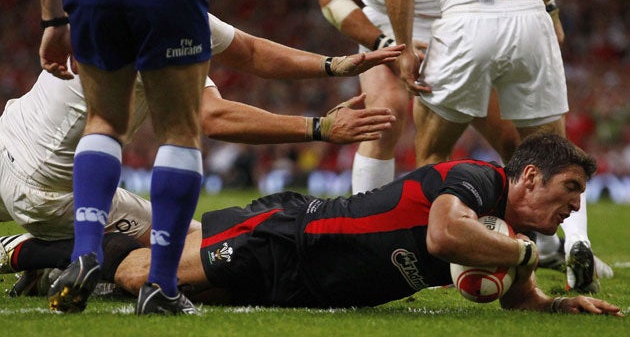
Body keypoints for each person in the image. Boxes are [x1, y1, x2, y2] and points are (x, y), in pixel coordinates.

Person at [0, 0, 400, 282]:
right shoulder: (174, 23)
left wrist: (333, 66)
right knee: (193, 248)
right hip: (49, 191)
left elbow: (252, 51)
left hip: (8, 140)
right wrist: (320, 127)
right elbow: (215, 117)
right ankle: (28, 252)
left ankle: (48, 250)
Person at [6, 134, 623, 316]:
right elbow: (442, 236)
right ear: (530, 178)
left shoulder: (514, 235)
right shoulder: (475, 178)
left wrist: (551, 306)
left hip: (307, 281)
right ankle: (30, 252)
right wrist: (522, 257)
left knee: (174, 249)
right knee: (148, 272)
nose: (573, 208)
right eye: (569, 190)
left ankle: (38, 250)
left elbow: (518, 292)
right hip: (292, 240)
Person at [381, 0, 611, 293]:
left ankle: (437, 259)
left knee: (433, 151)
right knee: (555, 153)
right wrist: (549, 10)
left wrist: (402, 46)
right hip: (528, 19)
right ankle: (577, 241)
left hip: (465, 21)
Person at [31, 0, 228, 315]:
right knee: (179, 130)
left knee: (102, 120)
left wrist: (52, 20)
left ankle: (84, 253)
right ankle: (162, 285)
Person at [316, 0, 522, 196]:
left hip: (460, 16)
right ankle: (368, 230)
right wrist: (387, 45)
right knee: (383, 115)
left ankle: (543, 237)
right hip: (386, 20)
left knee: (511, 136)